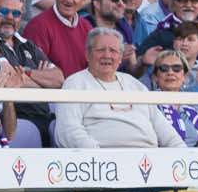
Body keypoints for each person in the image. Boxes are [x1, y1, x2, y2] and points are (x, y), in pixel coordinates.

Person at [54, 28, 184, 148]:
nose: (107, 55)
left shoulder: (135, 85)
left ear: (121, 57)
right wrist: (99, 157)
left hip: (148, 159)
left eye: (113, 51)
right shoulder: (75, 83)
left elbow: (166, 131)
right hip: (102, 163)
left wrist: (183, 154)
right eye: (100, 50)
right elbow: (69, 130)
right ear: (87, 54)